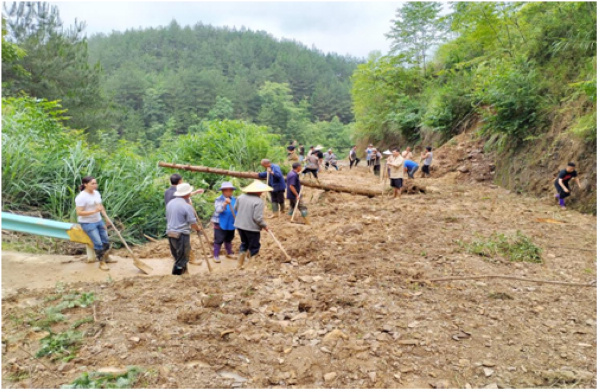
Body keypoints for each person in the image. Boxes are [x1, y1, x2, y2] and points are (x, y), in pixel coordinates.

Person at [75, 176, 115, 271]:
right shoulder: (81, 197)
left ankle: (106, 257)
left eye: (95, 183)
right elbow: (79, 212)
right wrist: (94, 211)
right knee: (98, 243)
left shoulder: (96, 193)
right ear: (85, 184)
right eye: (92, 183)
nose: (95, 185)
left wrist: (106, 218)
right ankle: (101, 262)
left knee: (105, 240)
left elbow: (100, 206)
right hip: (88, 223)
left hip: (98, 220)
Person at [166, 183, 203, 275]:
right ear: (187, 194)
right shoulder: (186, 206)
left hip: (170, 233)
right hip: (181, 235)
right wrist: (198, 228)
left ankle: (185, 273)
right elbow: (192, 223)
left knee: (178, 256)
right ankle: (176, 276)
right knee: (182, 259)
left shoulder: (170, 203)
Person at [234, 180, 272, 269]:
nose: (262, 193)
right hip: (251, 228)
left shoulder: (240, 197)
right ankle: (251, 266)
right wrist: (264, 225)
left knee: (244, 243)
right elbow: (257, 218)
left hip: (240, 225)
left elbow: (236, 208)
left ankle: (239, 264)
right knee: (254, 246)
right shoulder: (258, 201)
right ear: (258, 191)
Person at [210, 182, 237, 263]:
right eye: (227, 191)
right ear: (223, 191)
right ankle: (216, 255)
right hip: (219, 222)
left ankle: (229, 253)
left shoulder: (234, 199)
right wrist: (224, 204)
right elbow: (218, 209)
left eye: (230, 191)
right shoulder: (219, 199)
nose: (229, 192)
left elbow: (237, 210)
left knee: (229, 238)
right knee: (219, 239)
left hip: (231, 222)